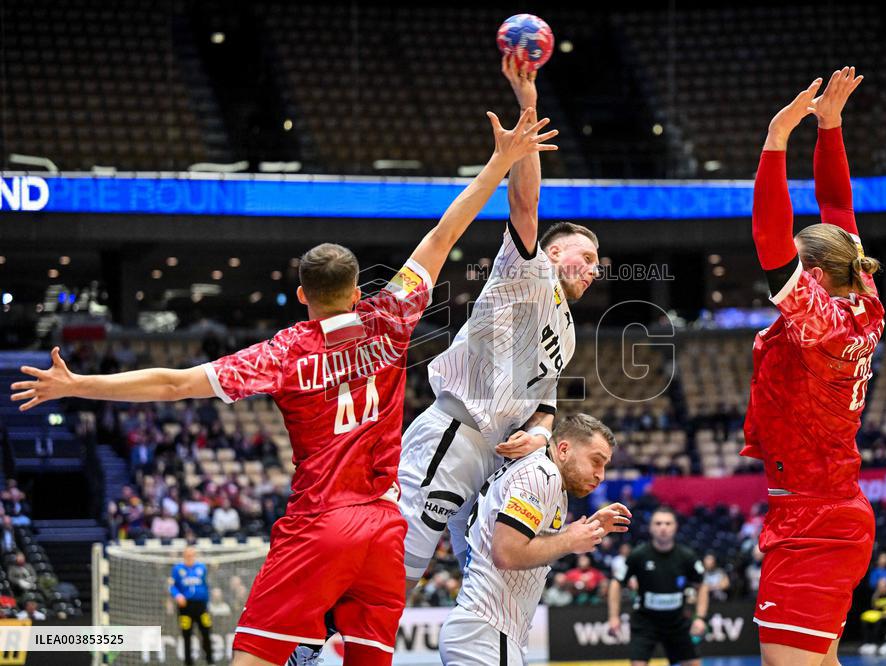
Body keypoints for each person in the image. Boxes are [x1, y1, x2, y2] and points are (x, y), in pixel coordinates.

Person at [11, 108, 557, 666]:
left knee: (251, 657)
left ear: (302, 296)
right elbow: (445, 231)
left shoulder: (285, 351)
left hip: (322, 521)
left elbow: (174, 385)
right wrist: (500, 161)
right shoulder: (391, 315)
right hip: (386, 529)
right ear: (354, 291)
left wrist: (78, 383)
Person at [399, 56, 600, 592]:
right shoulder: (528, 271)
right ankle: (310, 647)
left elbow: (546, 401)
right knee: (399, 568)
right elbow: (525, 202)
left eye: (599, 264)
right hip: (456, 432)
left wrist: (538, 434)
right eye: (587, 255)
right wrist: (529, 108)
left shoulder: (569, 328)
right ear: (554, 253)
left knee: (487, 582)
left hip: (496, 456)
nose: (595, 269)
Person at [741, 67, 884, 666]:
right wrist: (829, 126)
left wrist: (777, 138)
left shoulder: (822, 322)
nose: (785, 277)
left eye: (799, 271)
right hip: (824, 507)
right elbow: (838, 208)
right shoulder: (863, 296)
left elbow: (771, 237)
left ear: (815, 279)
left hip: (815, 518)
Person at [438, 414, 631, 665]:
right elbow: (506, 553)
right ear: (563, 449)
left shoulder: (550, 479)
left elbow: (530, 543)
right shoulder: (541, 474)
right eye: (596, 461)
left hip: (491, 633)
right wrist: (570, 540)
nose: (601, 475)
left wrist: (583, 531)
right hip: (488, 631)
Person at [608, 507, 709, 666]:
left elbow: (702, 585)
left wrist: (701, 618)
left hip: (677, 621)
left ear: (675, 526)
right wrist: (614, 617)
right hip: (645, 622)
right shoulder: (638, 555)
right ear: (651, 527)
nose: (663, 527)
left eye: (668, 523)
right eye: (658, 523)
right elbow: (616, 582)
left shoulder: (687, 556)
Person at [171, 546, 214, 666]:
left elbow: (206, 586)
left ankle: (210, 661)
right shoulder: (177, 569)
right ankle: (188, 663)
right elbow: (173, 586)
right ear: (184, 556)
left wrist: (207, 602)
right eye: (188, 555)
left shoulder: (201, 568)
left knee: (206, 632)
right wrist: (178, 595)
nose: (190, 557)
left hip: (201, 606)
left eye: (192, 555)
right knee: (187, 635)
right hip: (185, 607)